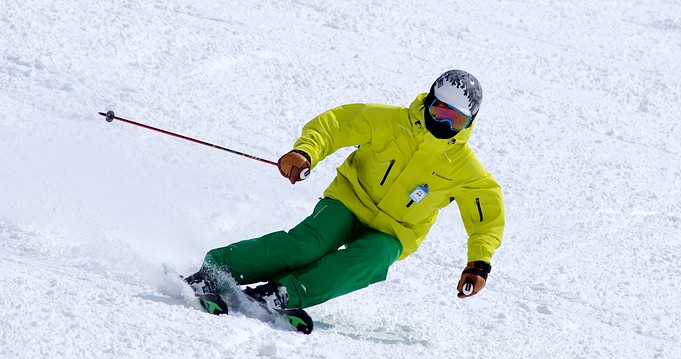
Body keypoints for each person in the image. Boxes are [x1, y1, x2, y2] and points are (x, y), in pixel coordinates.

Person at [185, 69, 505, 327]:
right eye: (439, 111)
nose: (444, 124)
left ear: (468, 123)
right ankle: (217, 268)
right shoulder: (390, 123)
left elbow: (486, 215)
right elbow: (336, 125)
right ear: (428, 102)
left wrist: (479, 263)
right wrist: (305, 152)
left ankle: (281, 294)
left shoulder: (465, 169)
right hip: (349, 200)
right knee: (310, 244)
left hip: (395, 231)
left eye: (456, 120)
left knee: (373, 259)